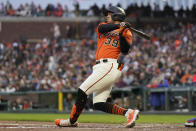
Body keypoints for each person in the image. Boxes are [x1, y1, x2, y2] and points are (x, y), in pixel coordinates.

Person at [55, 6, 139, 128]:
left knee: (82, 91)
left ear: (116, 15)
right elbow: (101, 28)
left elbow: (125, 50)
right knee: (98, 103)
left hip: (109, 66)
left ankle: (71, 121)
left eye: (109, 14)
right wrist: (119, 26)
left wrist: (121, 32)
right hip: (101, 67)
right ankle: (129, 113)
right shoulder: (104, 26)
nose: (107, 16)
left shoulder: (126, 32)